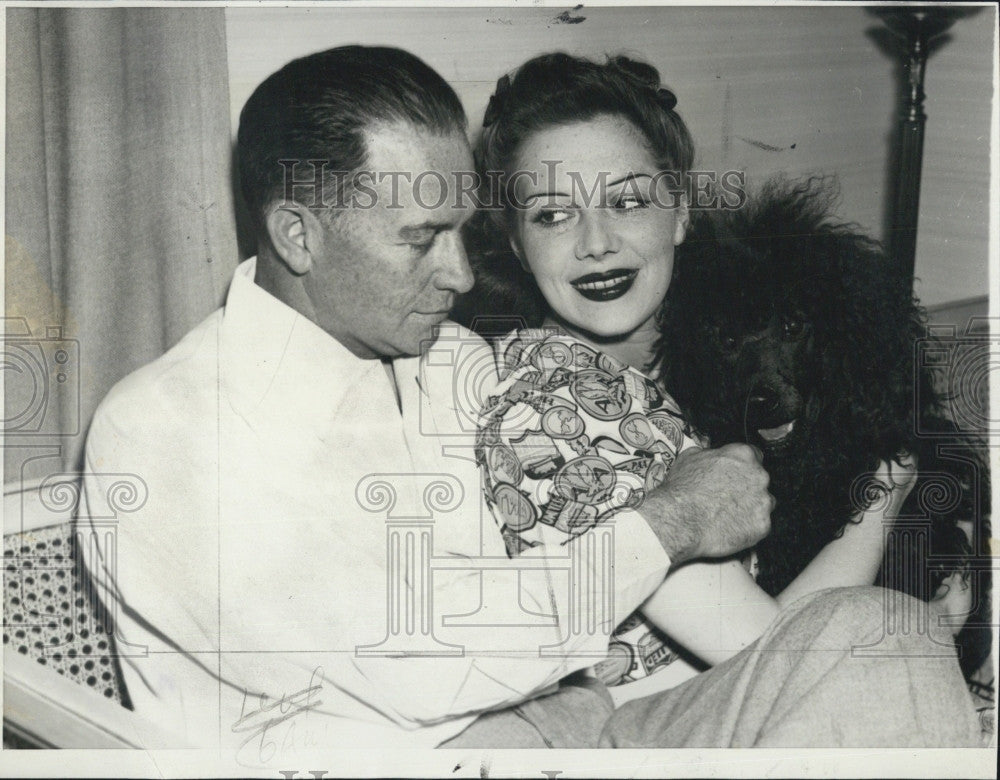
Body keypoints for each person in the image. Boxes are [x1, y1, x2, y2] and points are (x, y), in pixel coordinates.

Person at [76, 44, 979, 755]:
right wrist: (667, 524)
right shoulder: (168, 430)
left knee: (881, 632)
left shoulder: (449, 360)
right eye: (421, 238)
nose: (460, 273)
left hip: (581, 731)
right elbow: (412, 665)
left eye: (465, 232)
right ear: (296, 235)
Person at [450, 52, 983, 744]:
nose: (596, 243)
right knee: (892, 630)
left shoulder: (663, 373)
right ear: (517, 246)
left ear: (679, 214)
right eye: (553, 216)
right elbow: (773, 646)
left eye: (627, 200)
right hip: (651, 730)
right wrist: (890, 492)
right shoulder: (552, 406)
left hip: (747, 690)